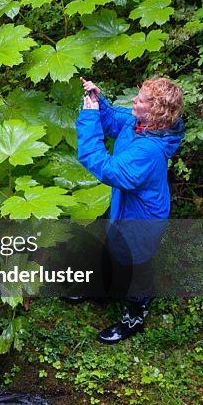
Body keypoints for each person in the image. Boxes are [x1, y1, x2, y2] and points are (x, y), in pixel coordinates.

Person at [75, 76, 184, 344]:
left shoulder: (148, 149)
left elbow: (107, 168)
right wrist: (97, 102)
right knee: (112, 248)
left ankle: (133, 317)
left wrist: (89, 119)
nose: (134, 101)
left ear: (156, 111)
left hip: (141, 219)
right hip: (126, 208)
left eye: (141, 100)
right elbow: (114, 120)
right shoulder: (142, 124)